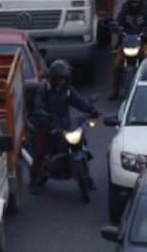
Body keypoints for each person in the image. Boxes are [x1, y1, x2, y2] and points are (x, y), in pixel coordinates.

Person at [29, 59, 99, 192]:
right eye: (60, 78)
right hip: (47, 125)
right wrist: (44, 116)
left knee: (82, 143)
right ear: (54, 78)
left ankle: (87, 178)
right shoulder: (44, 89)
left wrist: (91, 110)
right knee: (40, 150)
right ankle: (33, 181)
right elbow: (38, 106)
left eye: (64, 79)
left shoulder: (67, 90)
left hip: (66, 125)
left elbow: (79, 102)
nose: (62, 81)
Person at [110, 0, 147, 100]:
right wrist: (116, 27)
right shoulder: (124, 8)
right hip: (127, 42)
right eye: (132, 2)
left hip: (142, 42)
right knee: (116, 65)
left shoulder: (145, 9)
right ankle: (115, 91)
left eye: (136, 2)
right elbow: (118, 20)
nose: (134, 4)